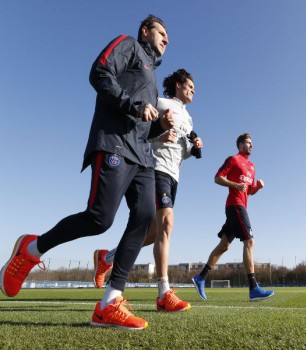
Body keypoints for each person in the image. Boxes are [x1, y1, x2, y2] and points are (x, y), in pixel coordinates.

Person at [0, 15, 173, 330]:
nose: (167, 39)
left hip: (142, 158)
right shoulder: (129, 45)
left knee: (146, 215)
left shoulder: (152, 77)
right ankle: (31, 248)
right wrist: (134, 105)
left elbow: (142, 126)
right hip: (114, 146)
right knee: (99, 218)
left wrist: (160, 127)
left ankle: (109, 303)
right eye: (162, 32)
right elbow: (99, 73)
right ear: (146, 31)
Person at [92, 69, 203, 312]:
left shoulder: (189, 117)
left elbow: (177, 147)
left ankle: (107, 258)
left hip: (174, 175)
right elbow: (141, 132)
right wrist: (160, 135)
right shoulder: (161, 102)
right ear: (177, 85)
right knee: (167, 222)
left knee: (152, 232)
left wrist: (192, 148)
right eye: (190, 85)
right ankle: (164, 291)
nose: (193, 89)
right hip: (156, 168)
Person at [192, 133, 275, 301]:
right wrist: (235, 184)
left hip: (241, 206)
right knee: (249, 241)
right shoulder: (233, 159)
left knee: (224, 246)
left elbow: (249, 191)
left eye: (252, 143)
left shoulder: (252, 166)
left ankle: (200, 277)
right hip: (234, 205)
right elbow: (217, 178)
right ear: (240, 145)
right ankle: (253, 288)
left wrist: (257, 187)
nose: (251, 146)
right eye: (248, 143)